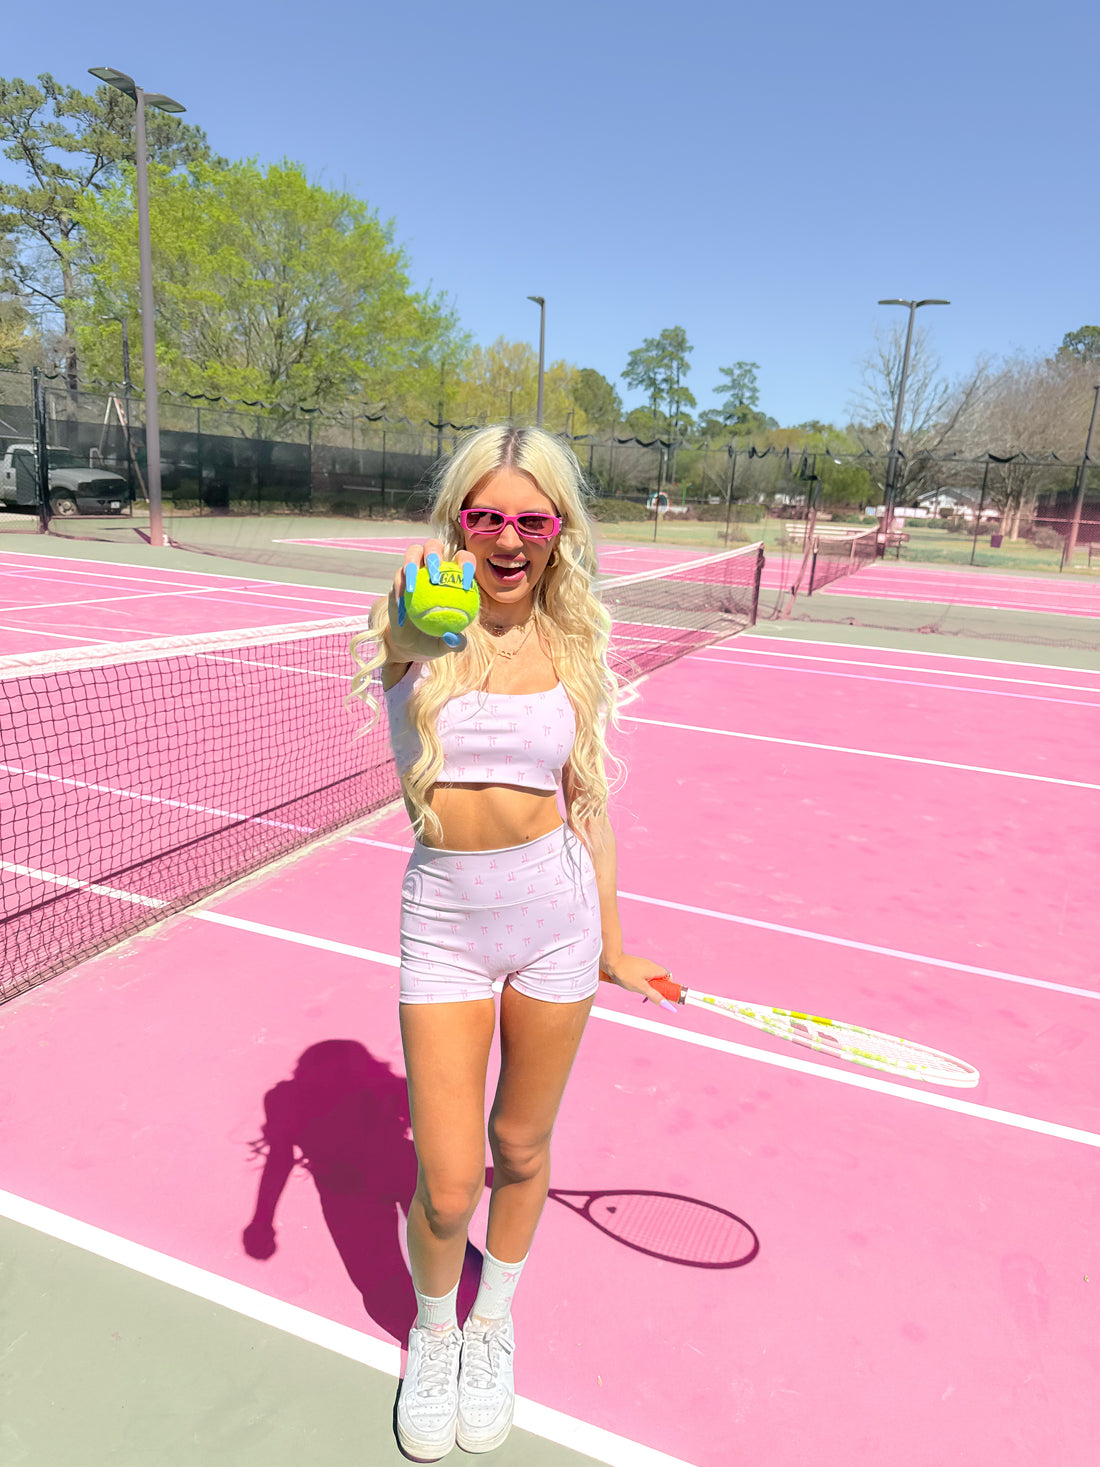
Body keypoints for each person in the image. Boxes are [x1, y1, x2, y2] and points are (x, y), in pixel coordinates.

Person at [350, 424, 672, 1459]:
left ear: (557, 533)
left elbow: (588, 807)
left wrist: (614, 943)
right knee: (446, 1184)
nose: (506, 538)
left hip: (554, 917)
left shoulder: (573, 645)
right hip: (444, 918)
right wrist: (412, 615)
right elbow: (396, 634)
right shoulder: (417, 619)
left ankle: (493, 1326)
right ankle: (435, 1331)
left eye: (529, 519)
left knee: (519, 1147)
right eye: (484, 515)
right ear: (458, 523)